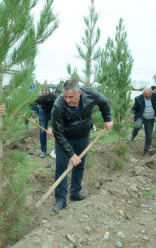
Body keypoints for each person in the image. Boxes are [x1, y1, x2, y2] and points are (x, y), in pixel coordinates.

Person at [51, 80, 113, 212]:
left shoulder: (89, 94)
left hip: (83, 136)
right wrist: (71, 154)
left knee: (79, 165)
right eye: (65, 96)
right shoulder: (59, 104)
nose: (67, 100)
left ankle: (75, 193)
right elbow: (58, 133)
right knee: (61, 166)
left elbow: (104, 102)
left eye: (71, 97)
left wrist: (107, 118)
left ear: (79, 92)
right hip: (65, 138)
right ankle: (61, 199)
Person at [129, 88, 156, 155]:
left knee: (149, 135)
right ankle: (132, 135)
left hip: (150, 120)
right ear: (143, 94)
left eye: (149, 96)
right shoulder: (138, 98)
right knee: (138, 125)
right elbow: (134, 107)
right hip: (141, 117)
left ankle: (146, 151)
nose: (147, 97)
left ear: (151, 93)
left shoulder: (155, 95)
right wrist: (131, 112)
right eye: (146, 96)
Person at [32, 91, 57, 158]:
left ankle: (58, 150)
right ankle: (43, 151)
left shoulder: (58, 102)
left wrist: (52, 127)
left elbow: (57, 119)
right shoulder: (43, 99)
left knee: (56, 131)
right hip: (43, 112)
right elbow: (32, 103)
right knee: (42, 132)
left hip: (53, 112)